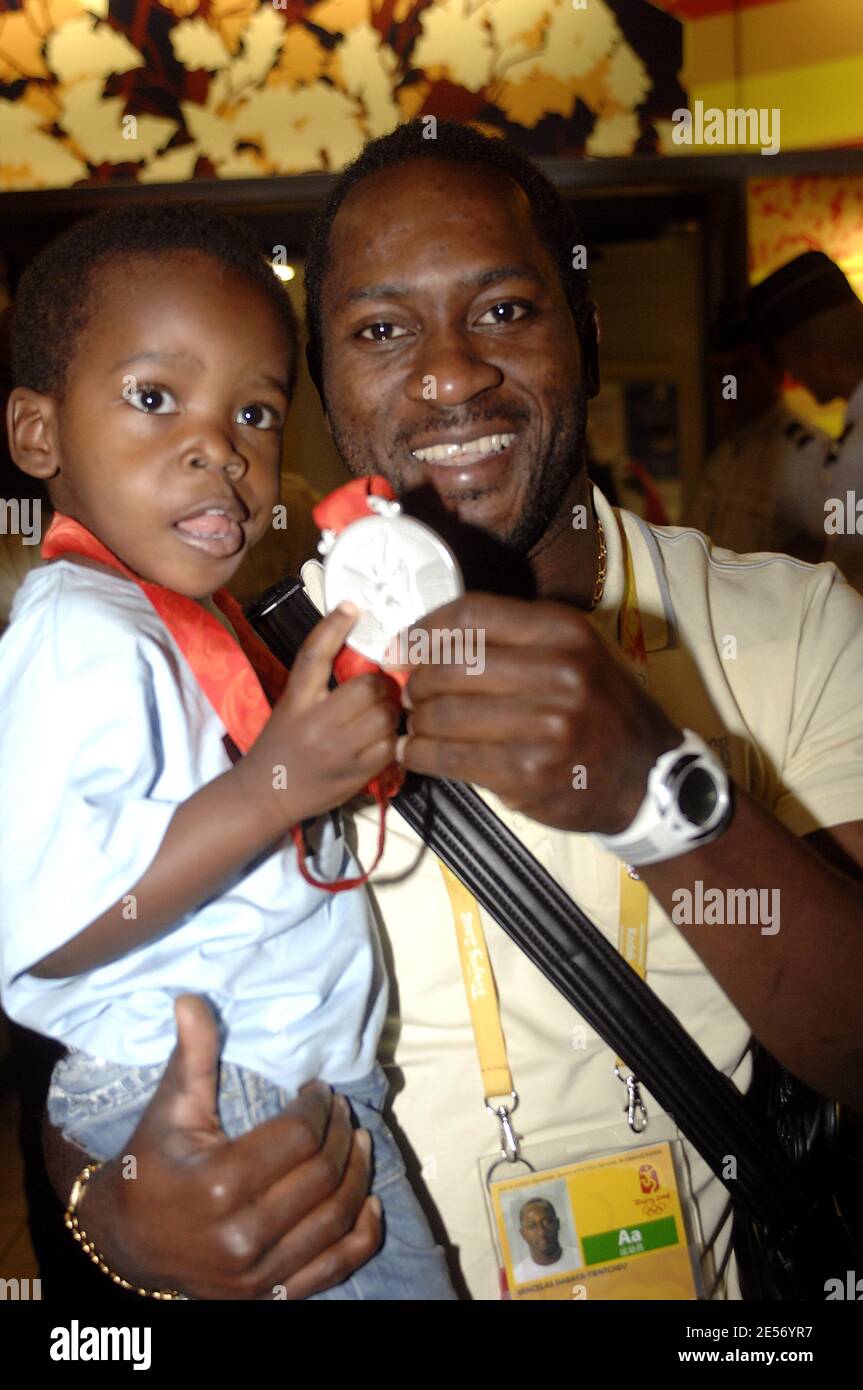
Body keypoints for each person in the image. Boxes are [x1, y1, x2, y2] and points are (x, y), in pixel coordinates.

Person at [29, 122, 863, 1304]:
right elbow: (110, 1044)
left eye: (506, 311)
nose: (449, 372)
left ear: (586, 330)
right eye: (380, 330)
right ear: (322, 386)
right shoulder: (221, 676)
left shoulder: (787, 628)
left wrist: (661, 797)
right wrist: (117, 1213)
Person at [0, 204, 456, 1300]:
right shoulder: (81, 632)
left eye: (255, 411)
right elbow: (49, 924)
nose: (220, 445)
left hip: (281, 1086)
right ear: (38, 435)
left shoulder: (161, 622)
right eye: (154, 398)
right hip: (231, 1091)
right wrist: (278, 785)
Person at [746, 250, 863, 590]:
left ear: (822, 362)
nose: (792, 379)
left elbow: (851, 592)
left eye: (791, 364)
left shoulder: (856, 455)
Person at [683, 308, 828, 558]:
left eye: (742, 369)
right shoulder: (726, 455)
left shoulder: (807, 456)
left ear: (776, 371)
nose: (730, 385)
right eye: (720, 372)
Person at [512, 1199, 581, 1285]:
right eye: (532, 1226)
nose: (542, 1231)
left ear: (557, 1224)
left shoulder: (580, 1258)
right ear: (523, 1234)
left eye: (547, 1222)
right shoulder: (518, 1277)